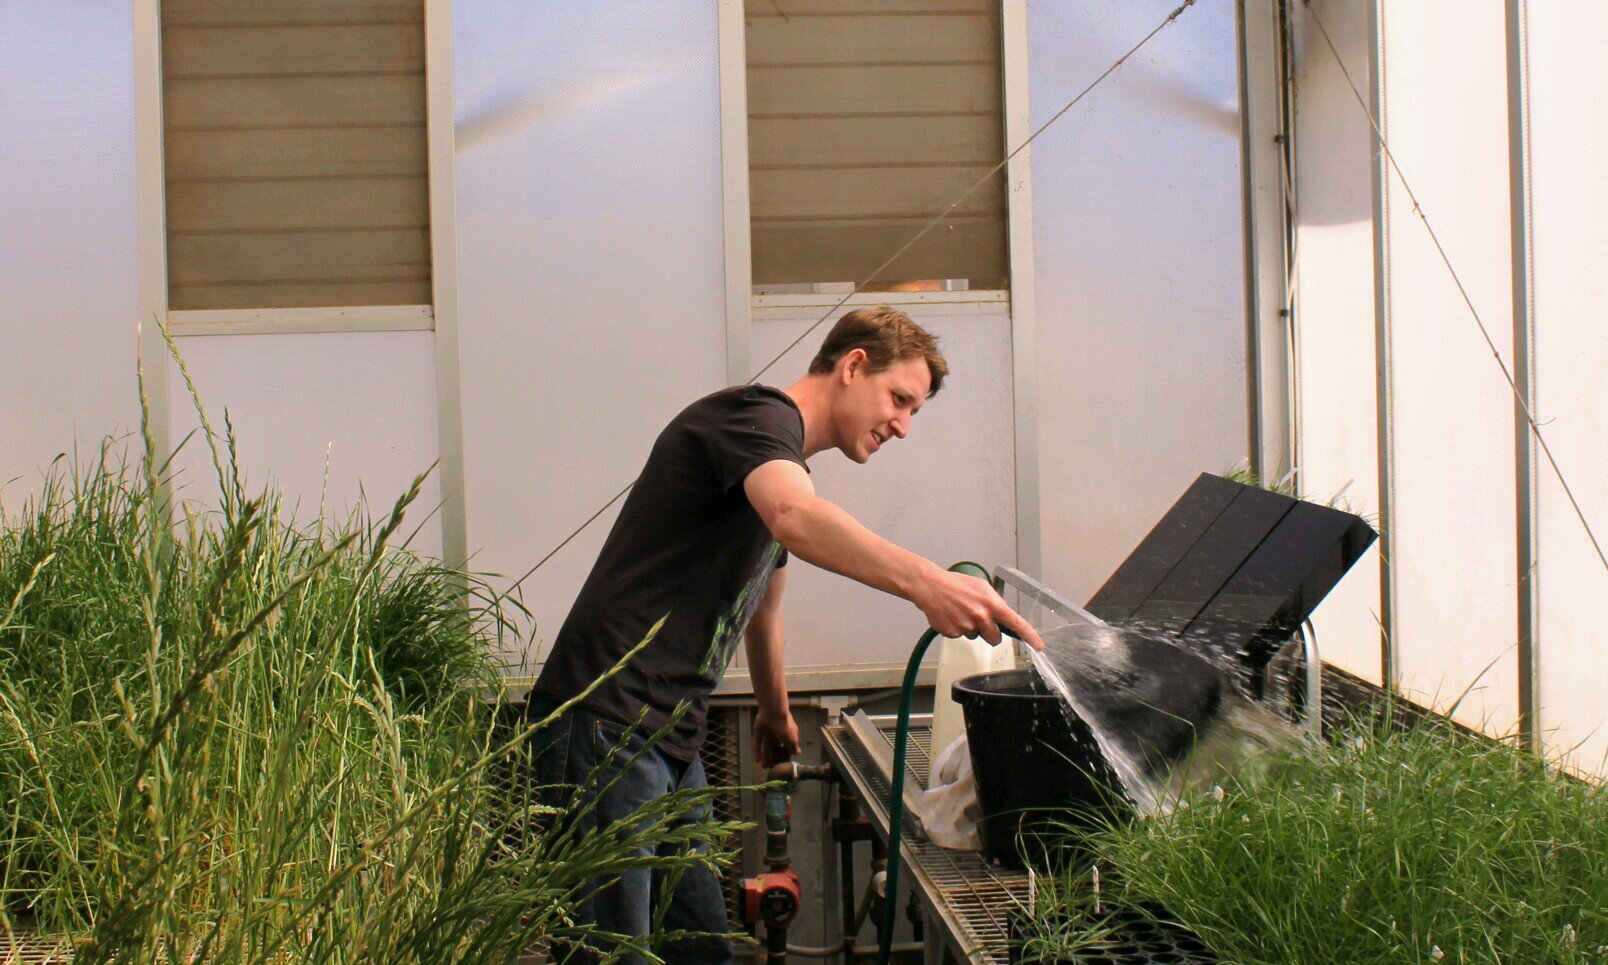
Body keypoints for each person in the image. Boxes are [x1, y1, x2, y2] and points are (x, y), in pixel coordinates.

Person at [527, 306, 1043, 963]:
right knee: (609, 952)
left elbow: (763, 609)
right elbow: (796, 517)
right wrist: (926, 583)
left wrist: (775, 713)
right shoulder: (752, 419)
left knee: (701, 948)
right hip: (606, 726)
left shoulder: (776, 462)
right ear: (853, 365)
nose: (904, 427)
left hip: (664, 738)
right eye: (900, 399)